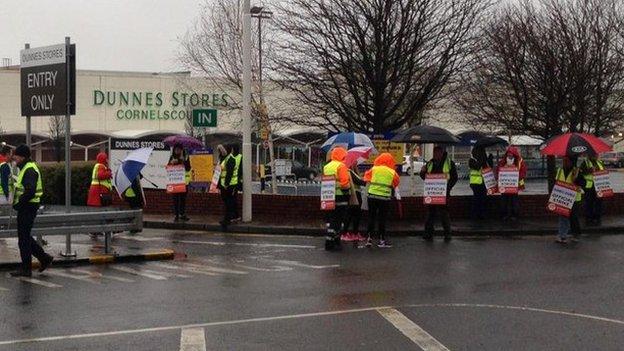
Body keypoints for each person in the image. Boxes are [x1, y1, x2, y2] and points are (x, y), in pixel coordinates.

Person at [10, 145, 53, 277]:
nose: (14, 158)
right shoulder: (26, 168)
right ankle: (44, 258)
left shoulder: (29, 169)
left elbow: (30, 191)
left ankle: (26, 268)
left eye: (16, 155)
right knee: (25, 237)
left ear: (22, 156)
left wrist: (19, 204)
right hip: (27, 206)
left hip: (28, 207)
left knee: (23, 238)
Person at [420, 146, 458, 242]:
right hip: (432, 192)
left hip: (444, 192)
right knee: (430, 213)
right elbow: (425, 177)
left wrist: (448, 187)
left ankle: (447, 234)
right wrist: (422, 171)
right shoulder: (429, 163)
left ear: (441, 153)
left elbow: (454, 177)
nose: (435, 155)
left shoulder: (449, 163)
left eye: (437, 153)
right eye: (434, 153)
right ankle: (428, 233)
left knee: (444, 213)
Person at [363, 153, 400, 248]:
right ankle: (381, 240)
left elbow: (366, 178)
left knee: (371, 217)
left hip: (372, 196)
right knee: (382, 219)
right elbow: (396, 183)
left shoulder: (373, 169)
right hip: (384, 198)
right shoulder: (392, 172)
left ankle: (369, 239)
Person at [323, 147, 351, 250]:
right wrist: (347, 185)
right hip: (341, 196)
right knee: (338, 219)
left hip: (329, 195)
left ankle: (334, 240)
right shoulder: (341, 166)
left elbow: (326, 181)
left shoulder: (327, 166)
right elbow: (345, 184)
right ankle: (330, 242)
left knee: (332, 218)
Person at [555, 156, 585, 244]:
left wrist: (576, 179)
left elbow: (583, 183)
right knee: (562, 217)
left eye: (566, 161)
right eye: (563, 161)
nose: (564, 162)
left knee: (573, 217)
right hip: (563, 197)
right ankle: (562, 235)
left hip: (574, 198)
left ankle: (576, 234)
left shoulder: (576, 172)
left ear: (571, 162)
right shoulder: (560, 170)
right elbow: (557, 182)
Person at [497, 146, 527, 220]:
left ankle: (513, 215)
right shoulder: (503, 161)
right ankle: (506, 214)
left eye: (511, 155)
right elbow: (498, 171)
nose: (509, 156)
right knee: (506, 200)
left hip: (513, 185)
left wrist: (518, 180)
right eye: (508, 155)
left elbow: (523, 172)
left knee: (513, 200)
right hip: (506, 185)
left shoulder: (519, 162)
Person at [219, 144, 242, 231]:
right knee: (227, 202)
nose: (221, 152)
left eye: (222, 150)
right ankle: (229, 218)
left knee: (229, 202)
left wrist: (226, 184)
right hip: (224, 185)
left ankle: (227, 219)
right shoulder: (224, 159)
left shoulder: (230, 159)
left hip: (230, 185)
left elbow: (229, 173)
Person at [342, 163, 366, 242]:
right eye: (354, 162)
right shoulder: (349, 171)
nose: (356, 163)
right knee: (352, 214)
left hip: (355, 194)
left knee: (355, 215)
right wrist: (366, 180)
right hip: (354, 195)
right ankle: (346, 233)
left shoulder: (353, 172)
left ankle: (354, 233)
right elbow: (359, 181)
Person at [168, 144, 191, 222]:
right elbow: (168, 167)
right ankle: (176, 214)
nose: (177, 151)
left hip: (184, 182)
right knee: (175, 199)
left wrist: (183, 161)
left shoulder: (186, 157)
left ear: (182, 150)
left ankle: (182, 214)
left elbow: (188, 168)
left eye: (179, 149)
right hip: (175, 182)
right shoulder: (172, 157)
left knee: (183, 199)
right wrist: (171, 163)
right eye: (176, 149)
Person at [580, 154, 604, 226]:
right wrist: (588, 171)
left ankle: (597, 217)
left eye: (597, 154)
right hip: (589, 186)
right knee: (589, 202)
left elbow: (604, 172)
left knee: (599, 202)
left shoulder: (600, 162)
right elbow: (580, 173)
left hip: (599, 186)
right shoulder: (585, 163)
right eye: (594, 154)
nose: (596, 155)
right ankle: (589, 218)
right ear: (590, 155)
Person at [468, 146, 489, 220]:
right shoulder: (471, 160)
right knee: (476, 200)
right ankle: (475, 215)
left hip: (483, 182)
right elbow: (477, 167)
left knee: (483, 199)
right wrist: (482, 159)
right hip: (475, 183)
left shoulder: (482, 160)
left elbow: (488, 168)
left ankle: (482, 214)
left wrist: (489, 160)